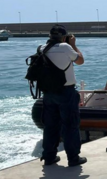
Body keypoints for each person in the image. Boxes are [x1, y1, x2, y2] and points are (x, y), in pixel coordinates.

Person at [40, 25, 86, 167]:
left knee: (50, 126)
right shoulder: (66, 47)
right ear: (64, 37)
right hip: (66, 92)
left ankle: (49, 157)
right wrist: (73, 44)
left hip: (48, 93)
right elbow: (80, 61)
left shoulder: (42, 48)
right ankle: (73, 158)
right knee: (70, 125)